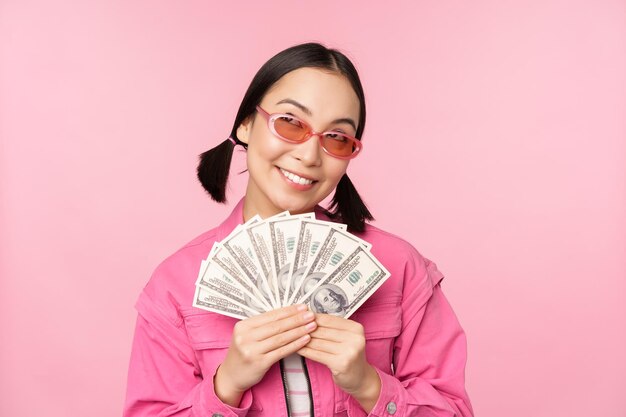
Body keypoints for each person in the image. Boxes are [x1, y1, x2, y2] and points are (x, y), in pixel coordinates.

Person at [123, 42, 474, 417]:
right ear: (245, 124)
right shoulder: (174, 286)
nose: (309, 155)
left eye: (336, 138)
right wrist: (225, 387)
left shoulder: (400, 268)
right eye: (290, 123)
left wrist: (368, 384)